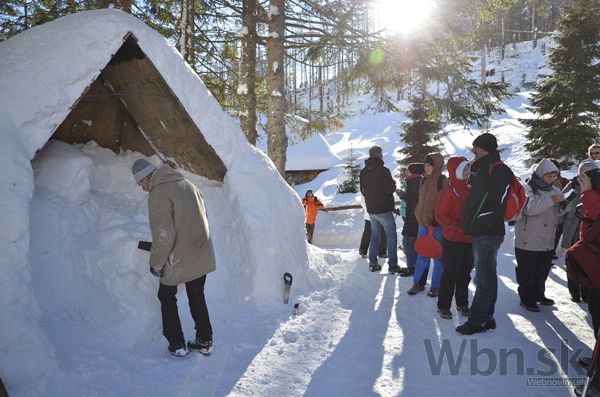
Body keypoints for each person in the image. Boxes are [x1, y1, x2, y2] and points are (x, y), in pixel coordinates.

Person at [132, 159, 215, 357]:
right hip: (201, 251)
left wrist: (156, 263)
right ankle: (205, 340)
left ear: (146, 178)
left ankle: (176, 344)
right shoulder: (188, 185)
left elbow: (164, 235)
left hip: (179, 257)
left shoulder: (158, 194)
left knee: (166, 296)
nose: (142, 188)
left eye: (140, 183)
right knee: (196, 295)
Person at [456, 133, 513, 335]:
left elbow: (498, 200)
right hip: (482, 229)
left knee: (484, 278)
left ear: (486, 149)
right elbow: (481, 195)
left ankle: (477, 321)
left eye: (476, 148)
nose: (473, 152)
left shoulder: (498, 169)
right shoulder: (484, 168)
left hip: (488, 230)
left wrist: (481, 219)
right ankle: (487, 317)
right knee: (487, 275)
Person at [513, 159, 564, 312]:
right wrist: (552, 200)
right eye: (549, 175)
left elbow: (558, 212)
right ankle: (526, 298)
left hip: (547, 239)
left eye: (555, 176)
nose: (552, 179)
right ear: (541, 174)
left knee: (542, 270)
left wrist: (564, 204)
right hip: (528, 239)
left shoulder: (554, 190)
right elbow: (530, 209)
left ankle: (539, 295)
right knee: (527, 271)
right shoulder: (527, 188)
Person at [435, 156, 473, 319]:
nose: (467, 172)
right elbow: (440, 215)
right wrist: (458, 226)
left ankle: (462, 303)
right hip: (453, 239)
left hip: (469, 239)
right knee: (451, 273)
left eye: (468, 169)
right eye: (463, 169)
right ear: (455, 171)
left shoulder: (471, 188)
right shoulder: (449, 191)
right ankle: (443, 305)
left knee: (465, 273)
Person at [408, 153, 448, 297]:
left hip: (437, 225)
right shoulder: (423, 180)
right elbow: (420, 200)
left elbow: (445, 203)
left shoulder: (443, 181)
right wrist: (418, 214)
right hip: (423, 224)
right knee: (422, 255)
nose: (426, 168)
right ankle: (418, 283)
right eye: (425, 165)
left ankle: (436, 286)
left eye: (429, 165)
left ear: (436, 165)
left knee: (438, 257)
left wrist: (437, 219)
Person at [561, 160, 599, 302]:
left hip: (589, 235)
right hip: (572, 231)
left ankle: (586, 293)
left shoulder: (596, 188)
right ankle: (574, 292)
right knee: (572, 264)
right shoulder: (572, 186)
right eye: (583, 173)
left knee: (586, 265)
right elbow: (560, 207)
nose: (586, 177)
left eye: (590, 173)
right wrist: (567, 202)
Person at [359, 145, 399, 273]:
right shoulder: (383, 171)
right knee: (391, 236)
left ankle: (373, 263)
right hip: (384, 209)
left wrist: (371, 200)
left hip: (371, 210)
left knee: (375, 236)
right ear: (379, 155)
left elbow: (363, 190)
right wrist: (393, 184)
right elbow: (390, 189)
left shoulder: (363, 172)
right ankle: (393, 265)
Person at [397, 163, 428, 284]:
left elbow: (414, 201)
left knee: (407, 242)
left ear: (413, 172)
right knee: (412, 242)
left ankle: (412, 267)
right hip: (413, 216)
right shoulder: (415, 181)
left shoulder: (415, 182)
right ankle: (414, 266)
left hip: (413, 217)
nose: (406, 173)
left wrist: (404, 196)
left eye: (408, 171)